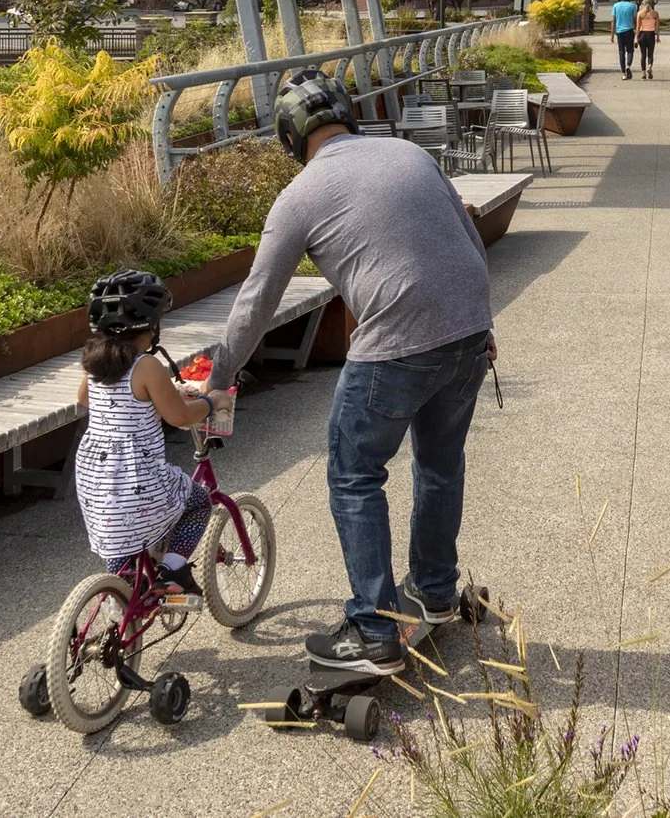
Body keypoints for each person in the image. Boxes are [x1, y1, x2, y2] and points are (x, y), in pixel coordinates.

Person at [212, 69, 495, 675]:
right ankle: (436, 592)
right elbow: (467, 233)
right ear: (347, 113)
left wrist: (220, 376)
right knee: (440, 465)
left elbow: (258, 299)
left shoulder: (302, 195)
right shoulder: (409, 152)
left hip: (395, 344)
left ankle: (371, 627)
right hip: (469, 332)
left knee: (354, 475)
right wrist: (482, 326)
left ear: (290, 139)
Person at [73, 270, 225, 603]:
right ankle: (172, 574)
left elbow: (85, 399)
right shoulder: (146, 366)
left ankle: (120, 604)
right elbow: (180, 416)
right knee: (198, 502)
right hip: (136, 478)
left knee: (122, 542)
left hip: (95, 481)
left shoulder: (94, 362)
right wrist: (211, 402)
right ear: (152, 326)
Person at [611, 0, 639, 78]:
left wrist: (612, 34)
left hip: (619, 31)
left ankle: (623, 73)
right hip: (629, 30)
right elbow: (635, 20)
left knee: (621, 51)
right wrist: (637, 31)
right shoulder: (632, 6)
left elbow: (613, 20)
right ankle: (628, 65)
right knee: (630, 50)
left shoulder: (616, 5)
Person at [635, 0, 660, 79]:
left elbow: (638, 27)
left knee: (643, 55)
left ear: (643, 3)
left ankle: (643, 74)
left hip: (642, 34)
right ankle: (649, 67)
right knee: (650, 54)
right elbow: (657, 27)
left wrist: (636, 38)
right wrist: (658, 37)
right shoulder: (655, 14)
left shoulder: (640, 13)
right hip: (651, 34)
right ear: (651, 3)